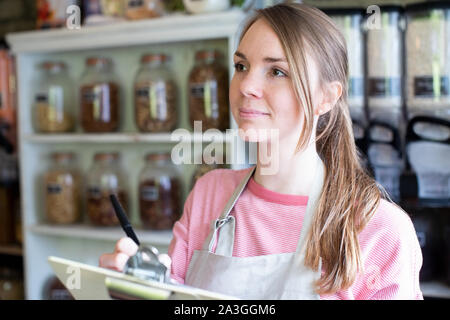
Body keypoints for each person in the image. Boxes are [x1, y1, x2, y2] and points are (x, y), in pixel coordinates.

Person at [99, 3, 423, 300]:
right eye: (241, 66)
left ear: (326, 97)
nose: (245, 86)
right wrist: (136, 290)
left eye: (276, 71)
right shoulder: (209, 194)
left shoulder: (379, 228)